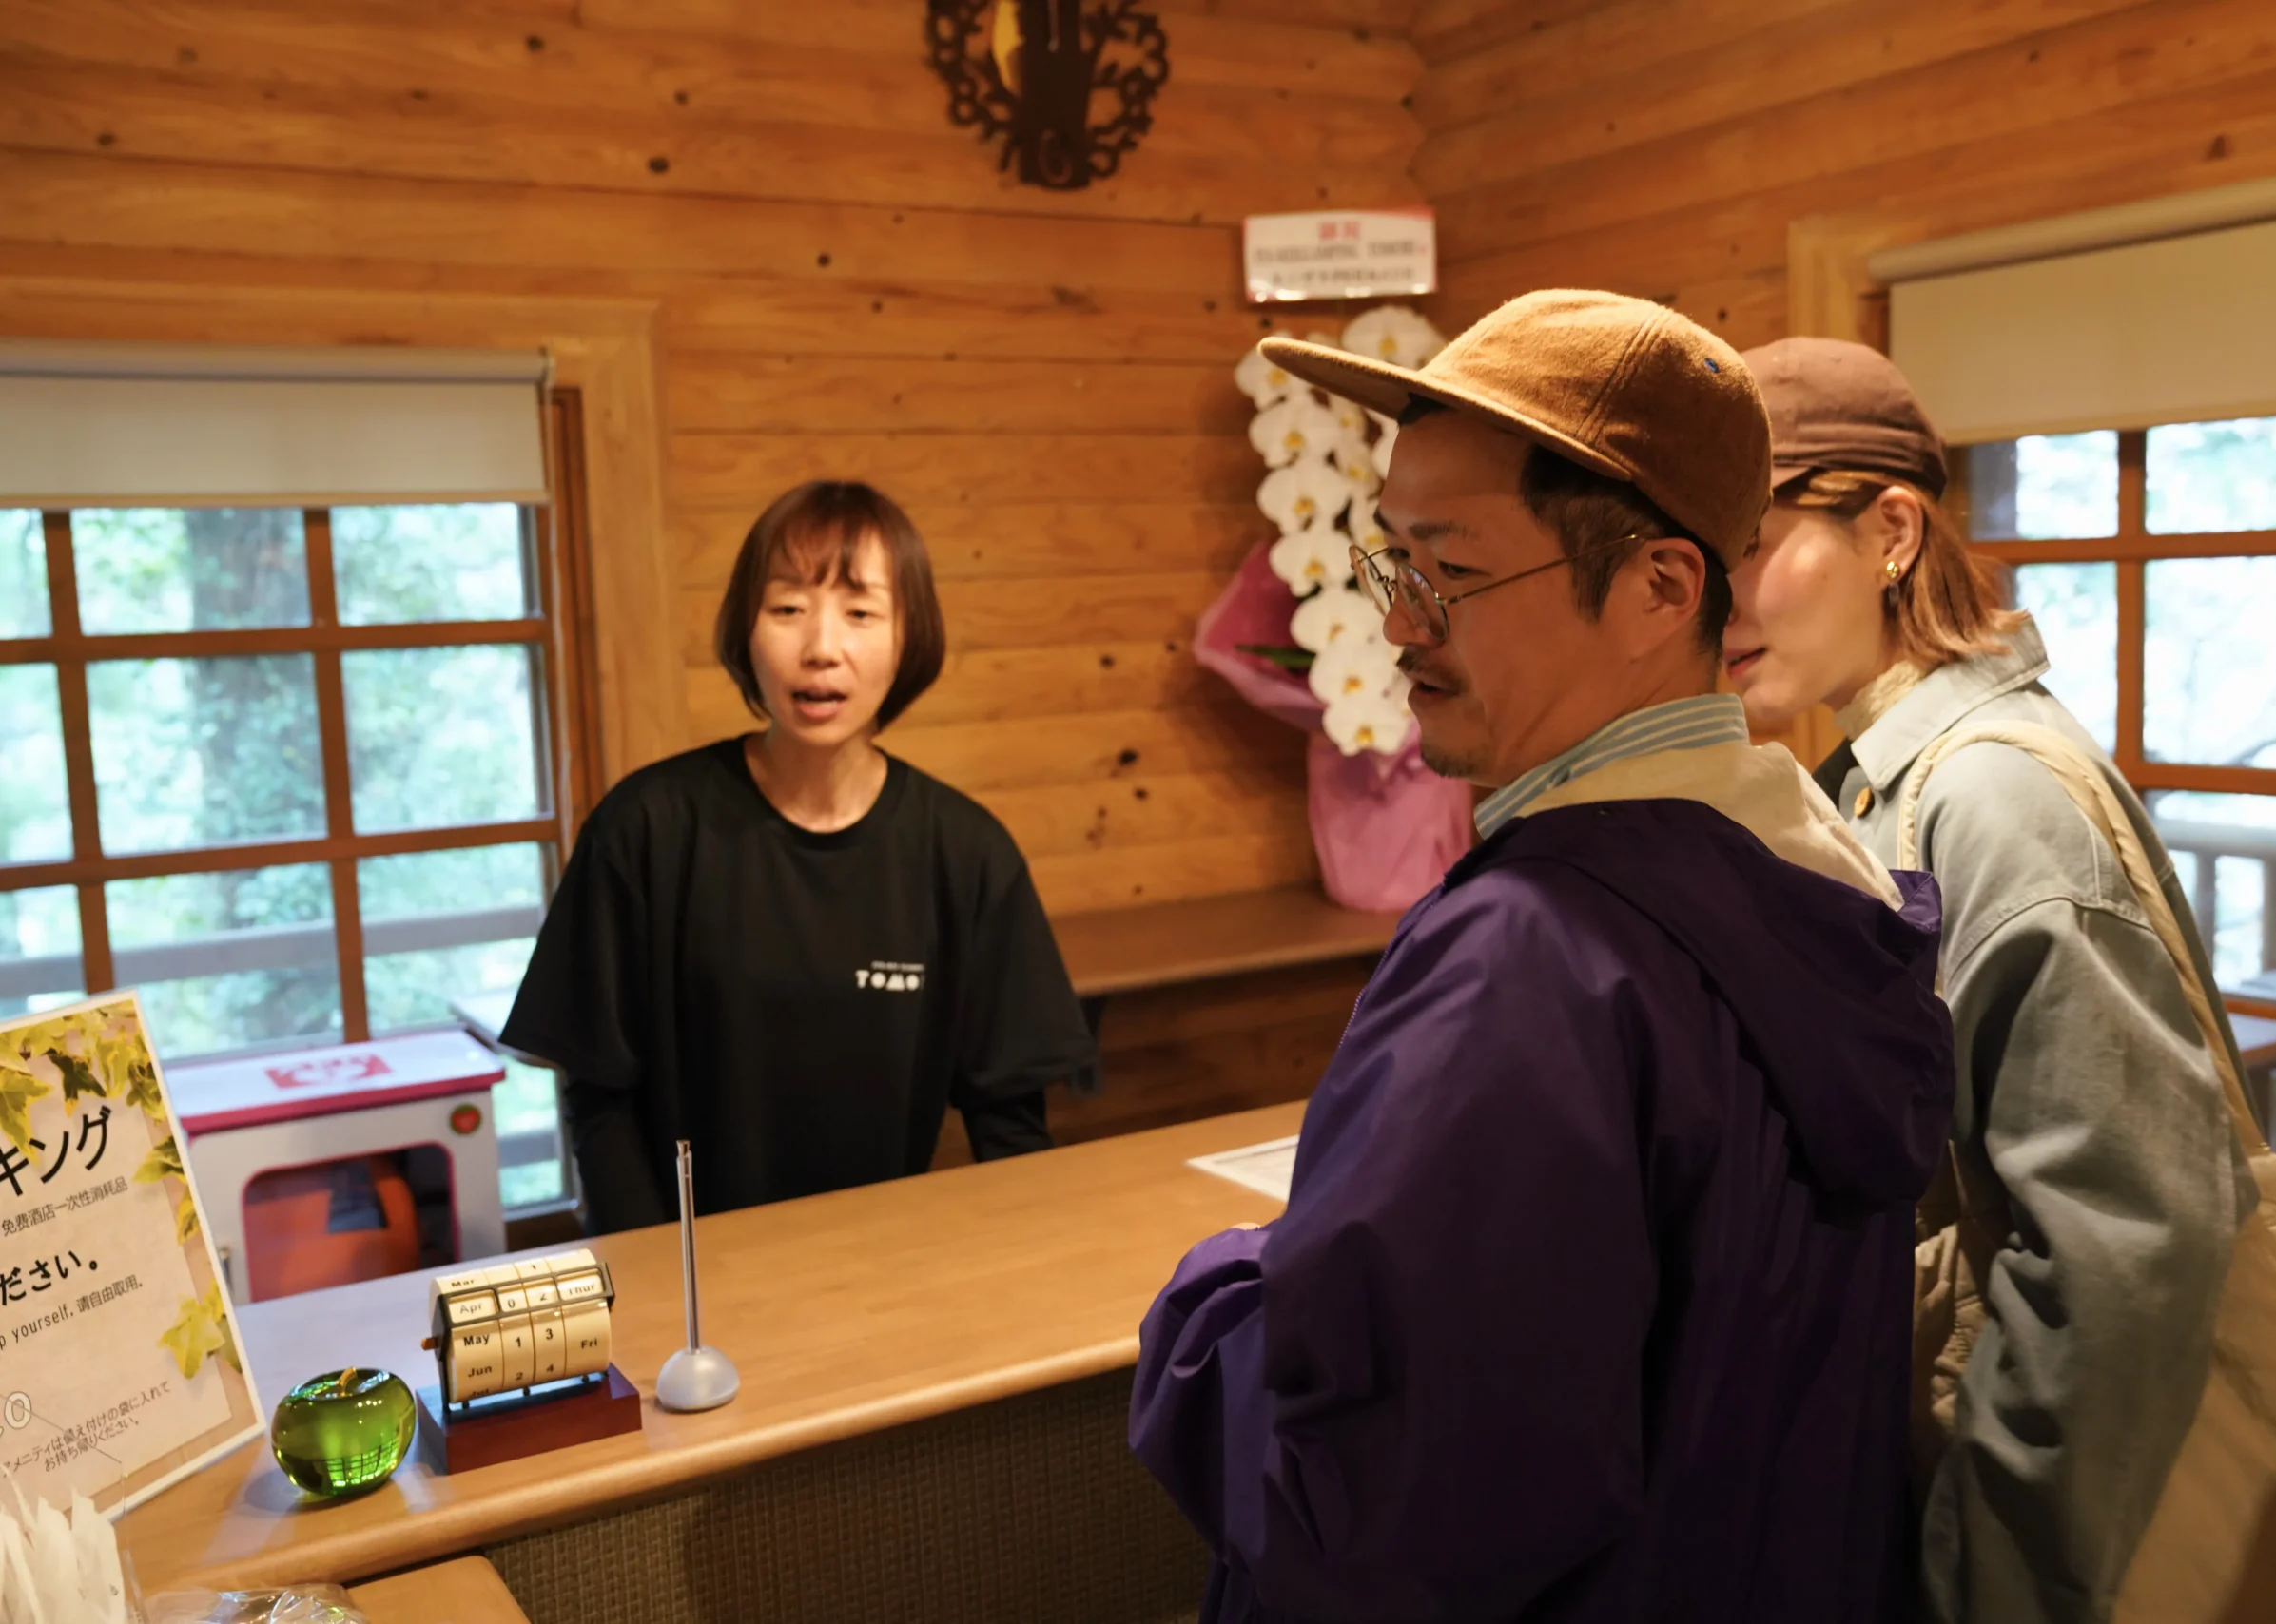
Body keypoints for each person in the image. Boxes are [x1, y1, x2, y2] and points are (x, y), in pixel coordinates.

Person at [1128, 292, 1956, 1622]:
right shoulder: (1819, 886)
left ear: (1658, 587)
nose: (1399, 625)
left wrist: (1214, 1293)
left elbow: (1366, 1517)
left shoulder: (1530, 962)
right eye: (1389, 565)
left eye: (1448, 572)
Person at [1723, 338, 2276, 1621]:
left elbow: (2118, 1259)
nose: (1717, 600)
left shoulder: (1989, 794)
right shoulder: (1893, 778)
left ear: (1890, 531)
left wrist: (1988, 1576)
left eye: (1749, 545)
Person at [502, 480, 1096, 1233]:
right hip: (686, 1280)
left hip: (880, 1260)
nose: (821, 649)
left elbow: (1009, 1120)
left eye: (860, 613)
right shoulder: (646, 827)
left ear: (908, 637)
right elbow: (597, 1091)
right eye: (787, 609)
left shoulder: (965, 852)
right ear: (746, 631)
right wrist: (653, 1277)